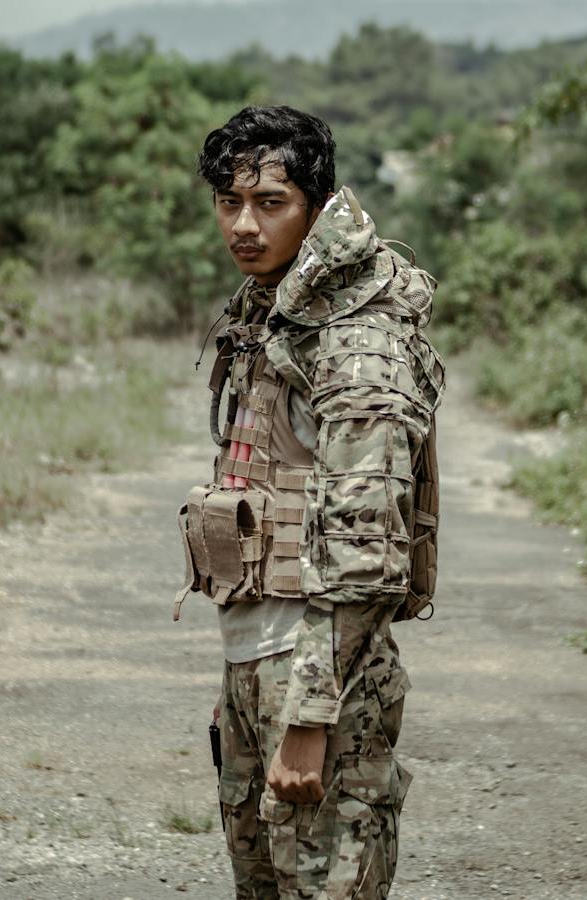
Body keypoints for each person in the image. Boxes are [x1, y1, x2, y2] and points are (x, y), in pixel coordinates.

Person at [175, 104, 444, 899]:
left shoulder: (357, 340)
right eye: (230, 202)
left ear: (317, 206)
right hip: (254, 662)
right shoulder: (274, 311)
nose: (244, 225)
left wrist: (308, 719)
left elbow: (367, 554)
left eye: (270, 203)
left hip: (320, 674)